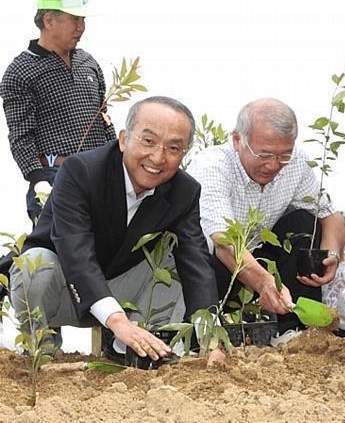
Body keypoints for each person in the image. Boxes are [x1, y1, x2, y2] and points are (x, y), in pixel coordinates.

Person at [9, 96, 223, 364]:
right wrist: (116, 319)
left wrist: (210, 335)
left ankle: (137, 349)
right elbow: (75, 252)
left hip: (123, 290)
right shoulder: (82, 171)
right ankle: (42, 351)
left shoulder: (184, 191)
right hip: (62, 290)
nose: (158, 157)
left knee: (184, 247)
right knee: (34, 264)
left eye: (173, 148)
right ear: (123, 139)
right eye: (148, 141)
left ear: (183, 154)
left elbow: (196, 263)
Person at [188, 98, 345, 338]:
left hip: (261, 263)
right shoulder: (213, 166)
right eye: (263, 154)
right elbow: (224, 242)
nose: (273, 165)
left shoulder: (296, 163)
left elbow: (331, 215)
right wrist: (264, 283)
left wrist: (331, 254)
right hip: (215, 269)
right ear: (237, 139)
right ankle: (206, 331)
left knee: (305, 223)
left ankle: (295, 330)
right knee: (211, 252)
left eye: (283, 155)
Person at [0, 0, 114, 223]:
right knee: (57, 256)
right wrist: (37, 178)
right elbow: (21, 134)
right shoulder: (20, 71)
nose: (81, 27)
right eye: (75, 19)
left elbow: (103, 118)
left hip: (100, 177)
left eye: (84, 20)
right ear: (49, 20)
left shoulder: (88, 62)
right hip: (55, 177)